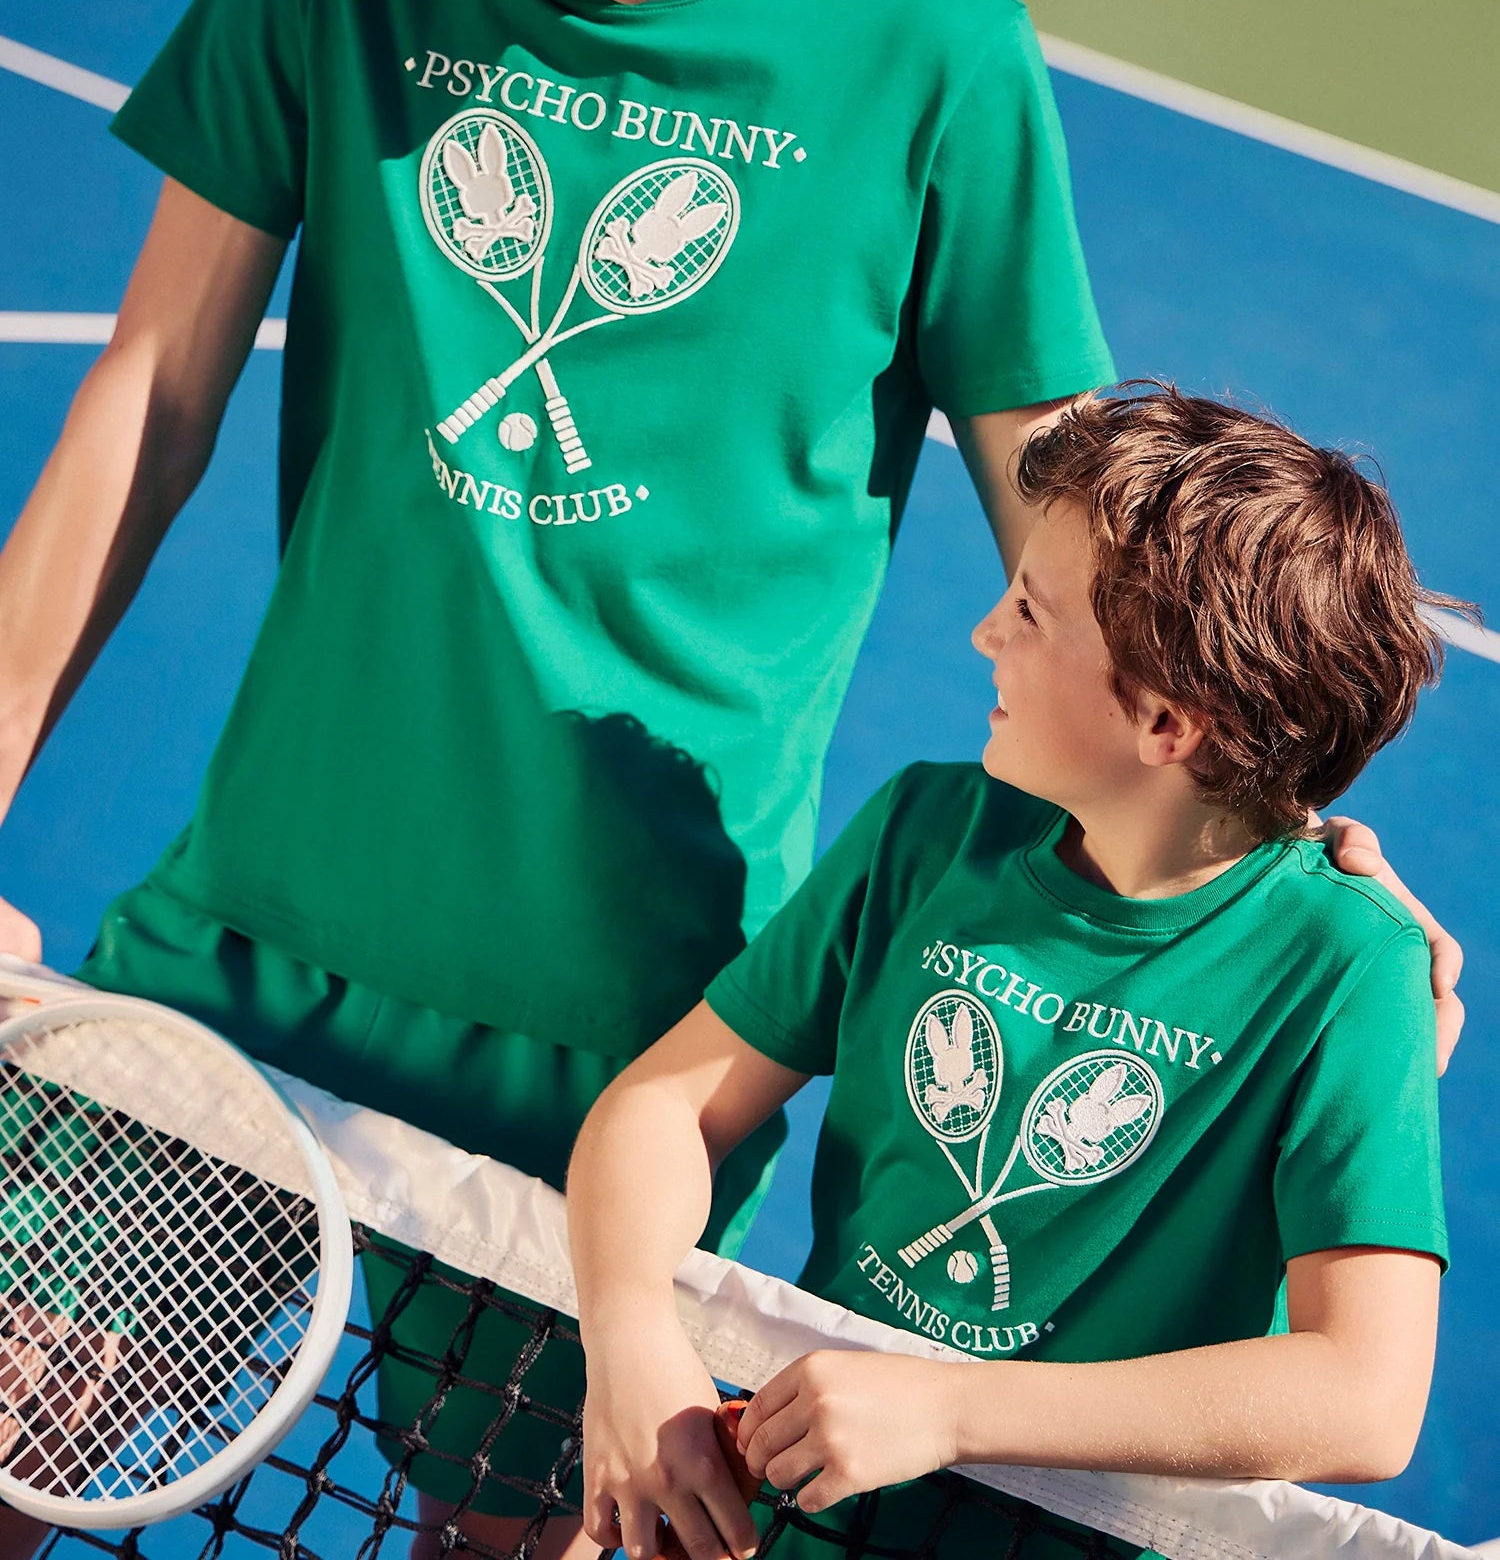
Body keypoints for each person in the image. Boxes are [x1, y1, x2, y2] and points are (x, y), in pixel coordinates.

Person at [0, 0, 1461, 1554]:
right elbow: (150, 393)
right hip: (253, 936)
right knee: (12, 1428)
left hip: (629, 1040)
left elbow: (1113, 580)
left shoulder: (933, 52)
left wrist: (1301, 843)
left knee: (514, 1538)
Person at [568, 384, 1454, 1560]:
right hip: (800, 1504)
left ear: (1166, 725)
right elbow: (665, 1103)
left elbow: (1363, 1399)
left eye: (1031, 614)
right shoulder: (930, 831)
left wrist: (950, 1408)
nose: (987, 631)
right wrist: (628, 1336)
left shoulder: (1346, 967)